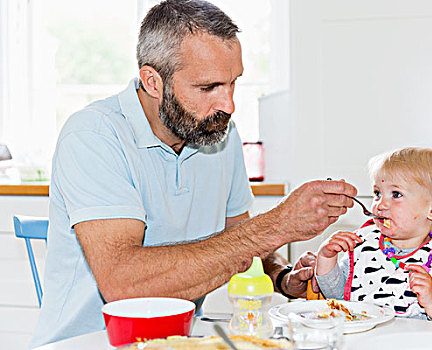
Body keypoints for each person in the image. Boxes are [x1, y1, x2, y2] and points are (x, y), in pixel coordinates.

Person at [30, 1, 356, 347]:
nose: (228, 104)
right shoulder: (94, 136)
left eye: (233, 83)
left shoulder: (219, 135)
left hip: (177, 339)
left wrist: (282, 276)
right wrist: (278, 224)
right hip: (88, 343)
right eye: (208, 87)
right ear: (152, 81)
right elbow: (124, 285)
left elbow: (237, 239)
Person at [315, 147, 432, 325]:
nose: (381, 204)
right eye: (377, 193)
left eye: (396, 194)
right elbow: (337, 295)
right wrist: (326, 258)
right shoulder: (365, 244)